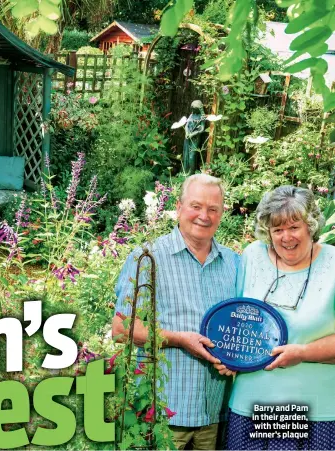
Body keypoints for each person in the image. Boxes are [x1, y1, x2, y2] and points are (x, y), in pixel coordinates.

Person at [112, 173, 239, 450]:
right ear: (179, 207)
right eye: (196, 206)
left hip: (217, 413)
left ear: (221, 214)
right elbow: (121, 329)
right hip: (166, 413)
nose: (204, 216)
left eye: (213, 209)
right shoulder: (147, 258)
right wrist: (179, 339)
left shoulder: (234, 263)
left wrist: (237, 357)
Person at [221, 185, 335, 450]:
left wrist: (303, 352)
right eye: (277, 229)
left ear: (311, 226)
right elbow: (235, 320)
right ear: (267, 232)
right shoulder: (252, 256)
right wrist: (229, 357)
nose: (286, 237)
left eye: (294, 227)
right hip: (250, 408)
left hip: (315, 412)